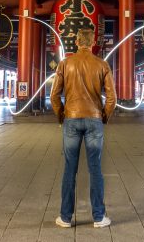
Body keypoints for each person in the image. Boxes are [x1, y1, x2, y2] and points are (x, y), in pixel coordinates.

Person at [50, 28, 116, 229]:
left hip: (71, 118)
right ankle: (98, 217)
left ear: (77, 42)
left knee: (70, 168)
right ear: (93, 42)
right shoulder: (102, 64)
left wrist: (62, 114)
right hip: (94, 119)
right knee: (95, 168)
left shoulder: (65, 64)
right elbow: (112, 98)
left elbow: (54, 96)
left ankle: (65, 217)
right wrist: (103, 116)